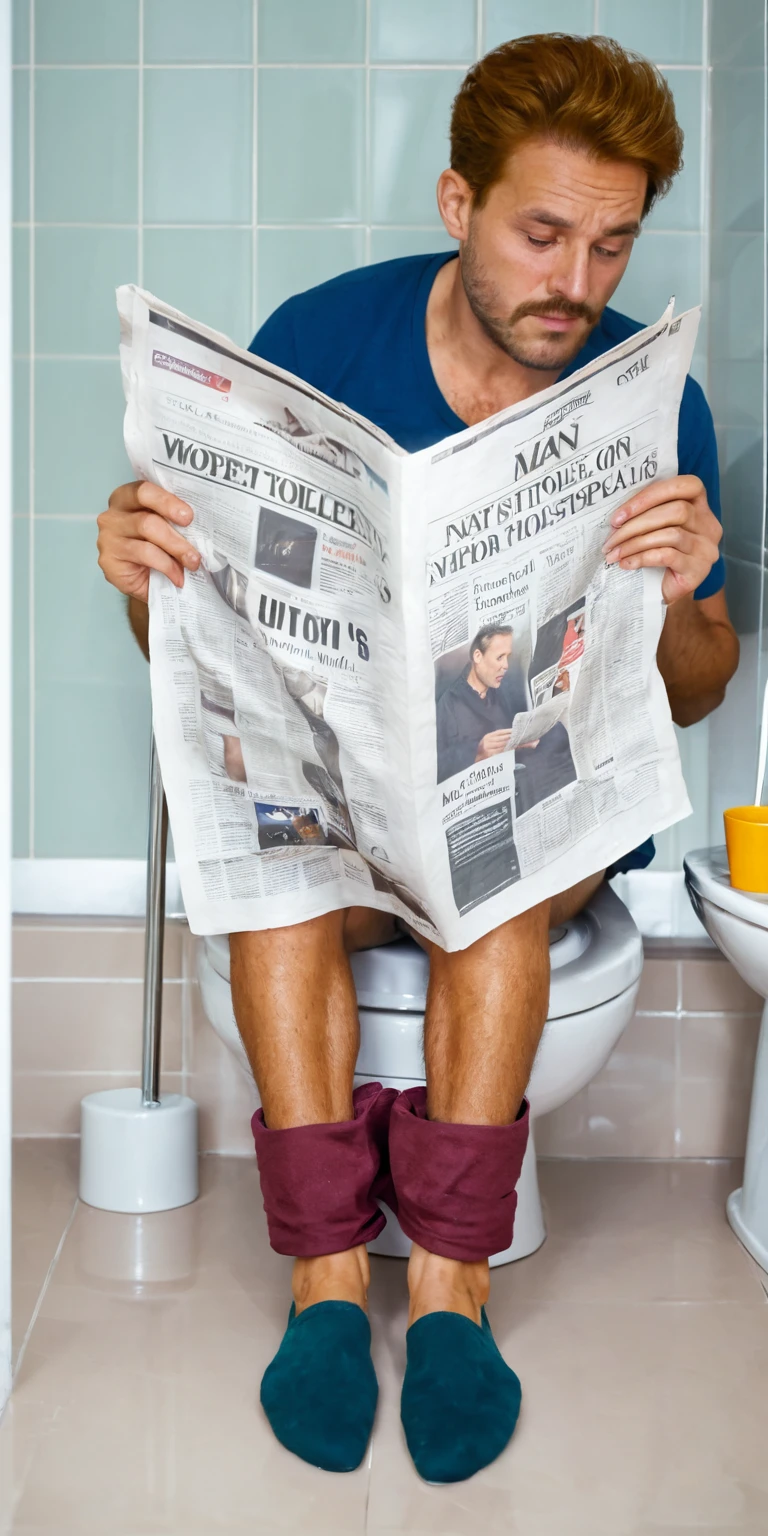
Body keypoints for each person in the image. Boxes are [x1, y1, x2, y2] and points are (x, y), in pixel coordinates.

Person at [97, 34, 739, 1485]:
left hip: (509, 824)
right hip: (335, 815)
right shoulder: (320, 343)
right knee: (275, 882)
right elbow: (200, 657)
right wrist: (139, 576)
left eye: (614, 242)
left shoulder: (647, 403)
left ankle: (451, 1294)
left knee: (501, 894)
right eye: (543, 232)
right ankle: (329, 1285)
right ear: (458, 203)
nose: (577, 282)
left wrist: (692, 592)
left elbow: (696, 695)